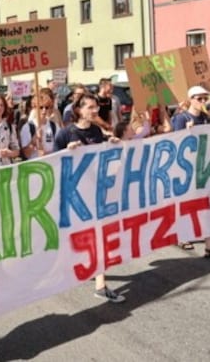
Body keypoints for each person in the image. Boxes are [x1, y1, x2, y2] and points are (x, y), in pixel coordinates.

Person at [53, 92, 125, 303]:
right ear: (78, 110)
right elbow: (53, 163)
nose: (95, 111)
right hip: (74, 195)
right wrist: (67, 152)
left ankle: (100, 284)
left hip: (95, 191)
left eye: (96, 107)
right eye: (90, 107)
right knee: (76, 235)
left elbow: (102, 157)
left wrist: (110, 143)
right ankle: (71, 266)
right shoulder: (65, 134)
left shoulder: (96, 131)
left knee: (99, 235)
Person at [171, 86, 210, 261]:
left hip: (203, 168)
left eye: (205, 98)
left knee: (206, 206)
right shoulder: (181, 118)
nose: (203, 102)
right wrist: (186, 133)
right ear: (191, 99)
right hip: (186, 170)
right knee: (187, 206)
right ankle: (181, 236)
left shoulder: (204, 117)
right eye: (200, 98)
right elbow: (175, 144)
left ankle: (209, 246)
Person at [20, 93, 58, 160]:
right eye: (41, 107)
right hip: (34, 167)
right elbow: (26, 154)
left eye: (46, 107)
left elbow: (59, 148)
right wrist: (34, 140)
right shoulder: (28, 127)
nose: (44, 110)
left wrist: (48, 154)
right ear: (34, 108)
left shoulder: (54, 126)